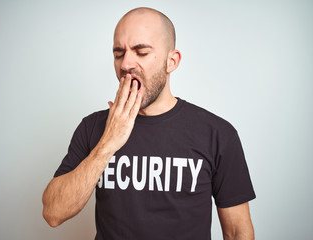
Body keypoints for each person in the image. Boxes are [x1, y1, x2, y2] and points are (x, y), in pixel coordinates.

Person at [42, 7, 256, 240]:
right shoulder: (93, 127)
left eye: (141, 52)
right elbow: (53, 213)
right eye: (118, 53)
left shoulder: (217, 134)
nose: (126, 64)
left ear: (171, 61)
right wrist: (108, 143)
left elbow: (237, 232)